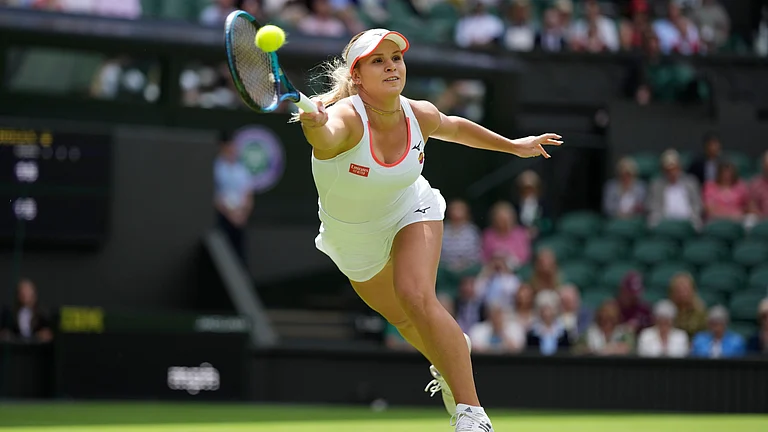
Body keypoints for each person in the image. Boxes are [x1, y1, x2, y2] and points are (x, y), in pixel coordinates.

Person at [297, 28, 562, 431]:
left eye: (396, 59)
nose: (391, 67)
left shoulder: (417, 113)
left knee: (415, 296)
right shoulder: (345, 118)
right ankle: (450, 352)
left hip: (410, 207)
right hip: (351, 237)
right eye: (378, 61)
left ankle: (471, 414)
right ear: (356, 76)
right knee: (404, 320)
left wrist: (512, 145)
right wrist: (314, 123)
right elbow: (326, 136)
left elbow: (454, 126)